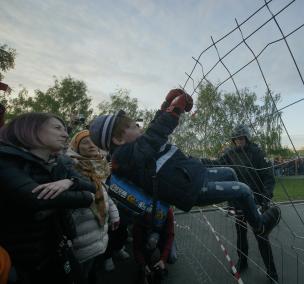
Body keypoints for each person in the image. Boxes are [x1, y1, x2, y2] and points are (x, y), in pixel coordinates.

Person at [88, 89, 281, 238]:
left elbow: (151, 134)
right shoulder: (125, 157)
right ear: (118, 140)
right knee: (243, 189)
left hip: (192, 176)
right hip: (189, 189)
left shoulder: (136, 149)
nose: (138, 127)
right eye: (132, 126)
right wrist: (174, 111)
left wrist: (165, 106)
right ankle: (260, 226)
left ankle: (243, 209)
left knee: (230, 172)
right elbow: (154, 135)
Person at [0, 112, 96, 284]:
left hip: (57, 249)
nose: (66, 134)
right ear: (31, 129)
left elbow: (91, 187)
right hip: (21, 260)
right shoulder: (5, 159)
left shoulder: (60, 162)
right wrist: (84, 196)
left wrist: (69, 182)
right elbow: (37, 198)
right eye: (57, 128)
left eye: (65, 129)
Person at [202, 124, 278, 283]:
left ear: (247, 138)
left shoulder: (257, 152)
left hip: (256, 200)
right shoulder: (229, 154)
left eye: (241, 138)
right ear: (233, 140)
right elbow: (216, 164)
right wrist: (199, 162)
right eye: (236, 139)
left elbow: (268, 177)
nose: (239, 141)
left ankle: (272, 272)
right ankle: (242, 261)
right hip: (238, 201)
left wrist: (265, 198)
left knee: (261, 235)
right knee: (240, 232)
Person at [66, 130, 121, 283]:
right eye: (85, 142)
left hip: (97, 228)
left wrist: (114, 214)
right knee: (78, 273)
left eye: (93, 141)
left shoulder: (99, 164)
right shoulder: (70, 166)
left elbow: (102, 191)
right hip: (80, 229)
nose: (91, 145)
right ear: (76, 146)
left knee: (90, 268)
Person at [133, 207, 175, 284]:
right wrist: (143, 264)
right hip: (148, 238)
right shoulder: (140, 216)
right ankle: (146, 270)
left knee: (171, 256)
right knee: (150, 244)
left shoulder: (167, 210)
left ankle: (158, 267)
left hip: (162, 236)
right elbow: (136, 246)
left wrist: (163, 259)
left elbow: (170, 235)